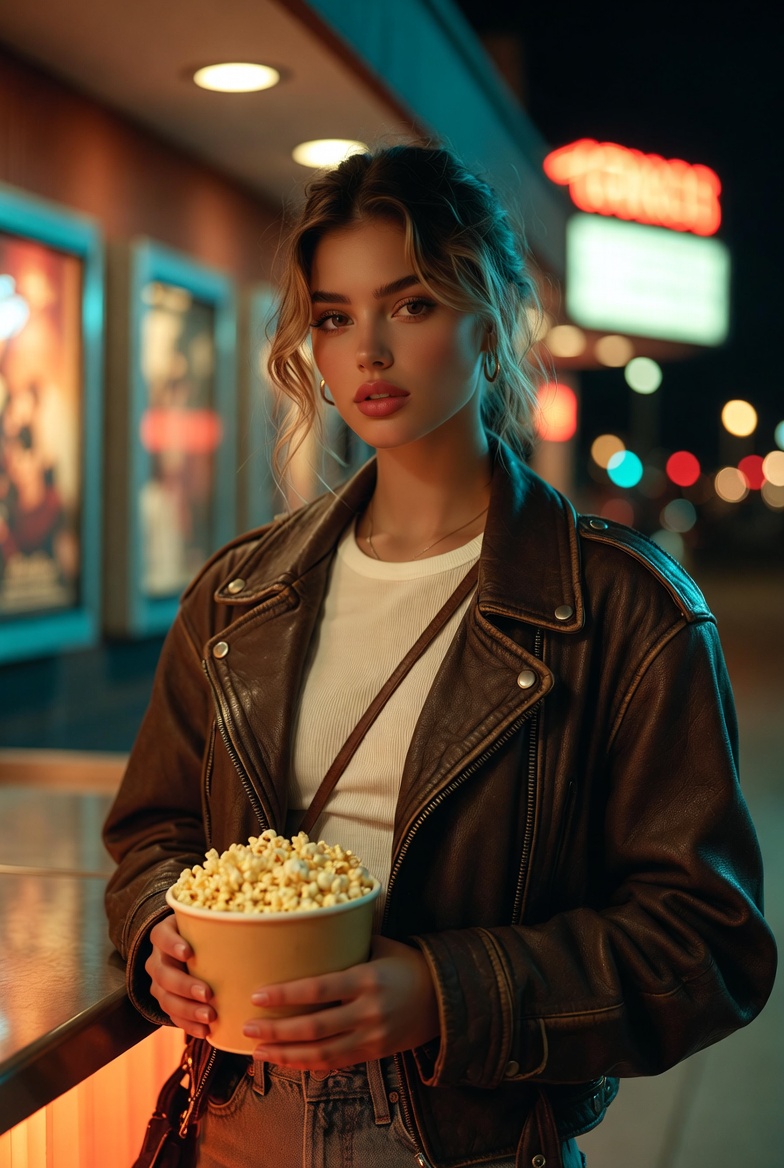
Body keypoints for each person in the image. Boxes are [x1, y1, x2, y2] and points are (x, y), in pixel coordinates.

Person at [103, 144, 777, 1168]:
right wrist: (159, 929)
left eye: (409, 305)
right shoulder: (240, 595)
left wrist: (442, 992)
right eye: (333, 316)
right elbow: (154, 830)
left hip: (463, 1136)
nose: (366, 350)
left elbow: (706, 944)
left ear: (493, 316)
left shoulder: (624, 609)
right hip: (238, 1119)